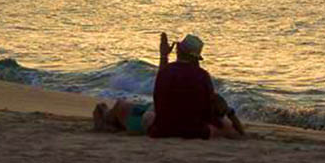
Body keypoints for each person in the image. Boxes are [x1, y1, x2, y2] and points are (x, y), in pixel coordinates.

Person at [92, 32, 244, 139]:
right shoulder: (203, 76)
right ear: (196, 57)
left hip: (162, 129)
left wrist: (163, 55)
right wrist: (228, 114)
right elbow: (207, 111)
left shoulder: (168, 72)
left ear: (177, 50)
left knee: (121, 107)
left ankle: (106, 118)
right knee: (225, 127)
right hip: (197, 131)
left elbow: (159, 97)